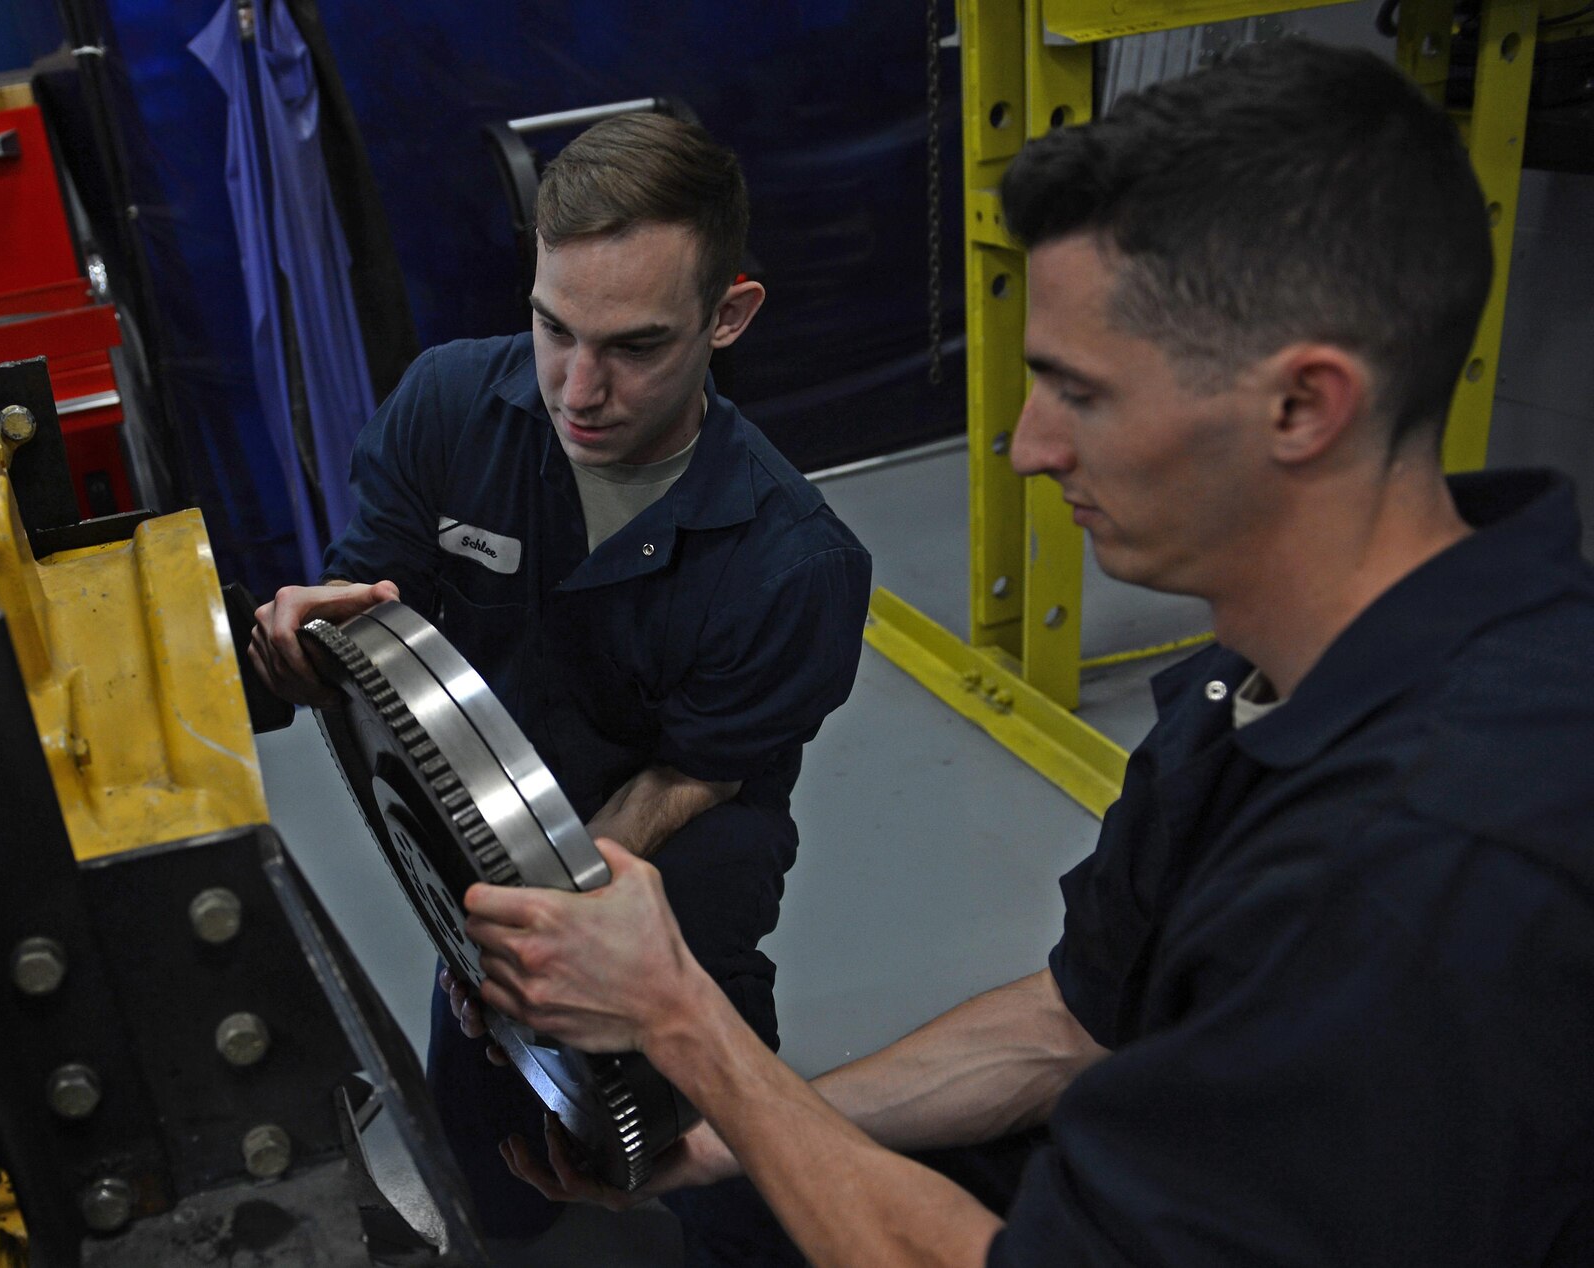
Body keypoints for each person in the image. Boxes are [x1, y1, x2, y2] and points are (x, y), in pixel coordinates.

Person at [461, 39, 1594, 1267]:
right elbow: (1071, 1026)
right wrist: (722, 1137)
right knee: (745, 1196)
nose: (1025, 447)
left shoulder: (1430, 864)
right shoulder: (1262, 689)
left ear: (1299, 406)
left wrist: (684, 1021)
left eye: (1079, 391)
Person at [246, 112, 873, 1260]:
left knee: (718, 1202)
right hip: (481, 912)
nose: (577, 387)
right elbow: (362, 613)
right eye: (551, 327)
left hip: (673, 915)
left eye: (633, 345)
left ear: (727, 315)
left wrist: (538, 910)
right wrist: (299, 642)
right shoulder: (445, 407)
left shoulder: (797, 564)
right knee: (489, 1200)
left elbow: (700, 769)